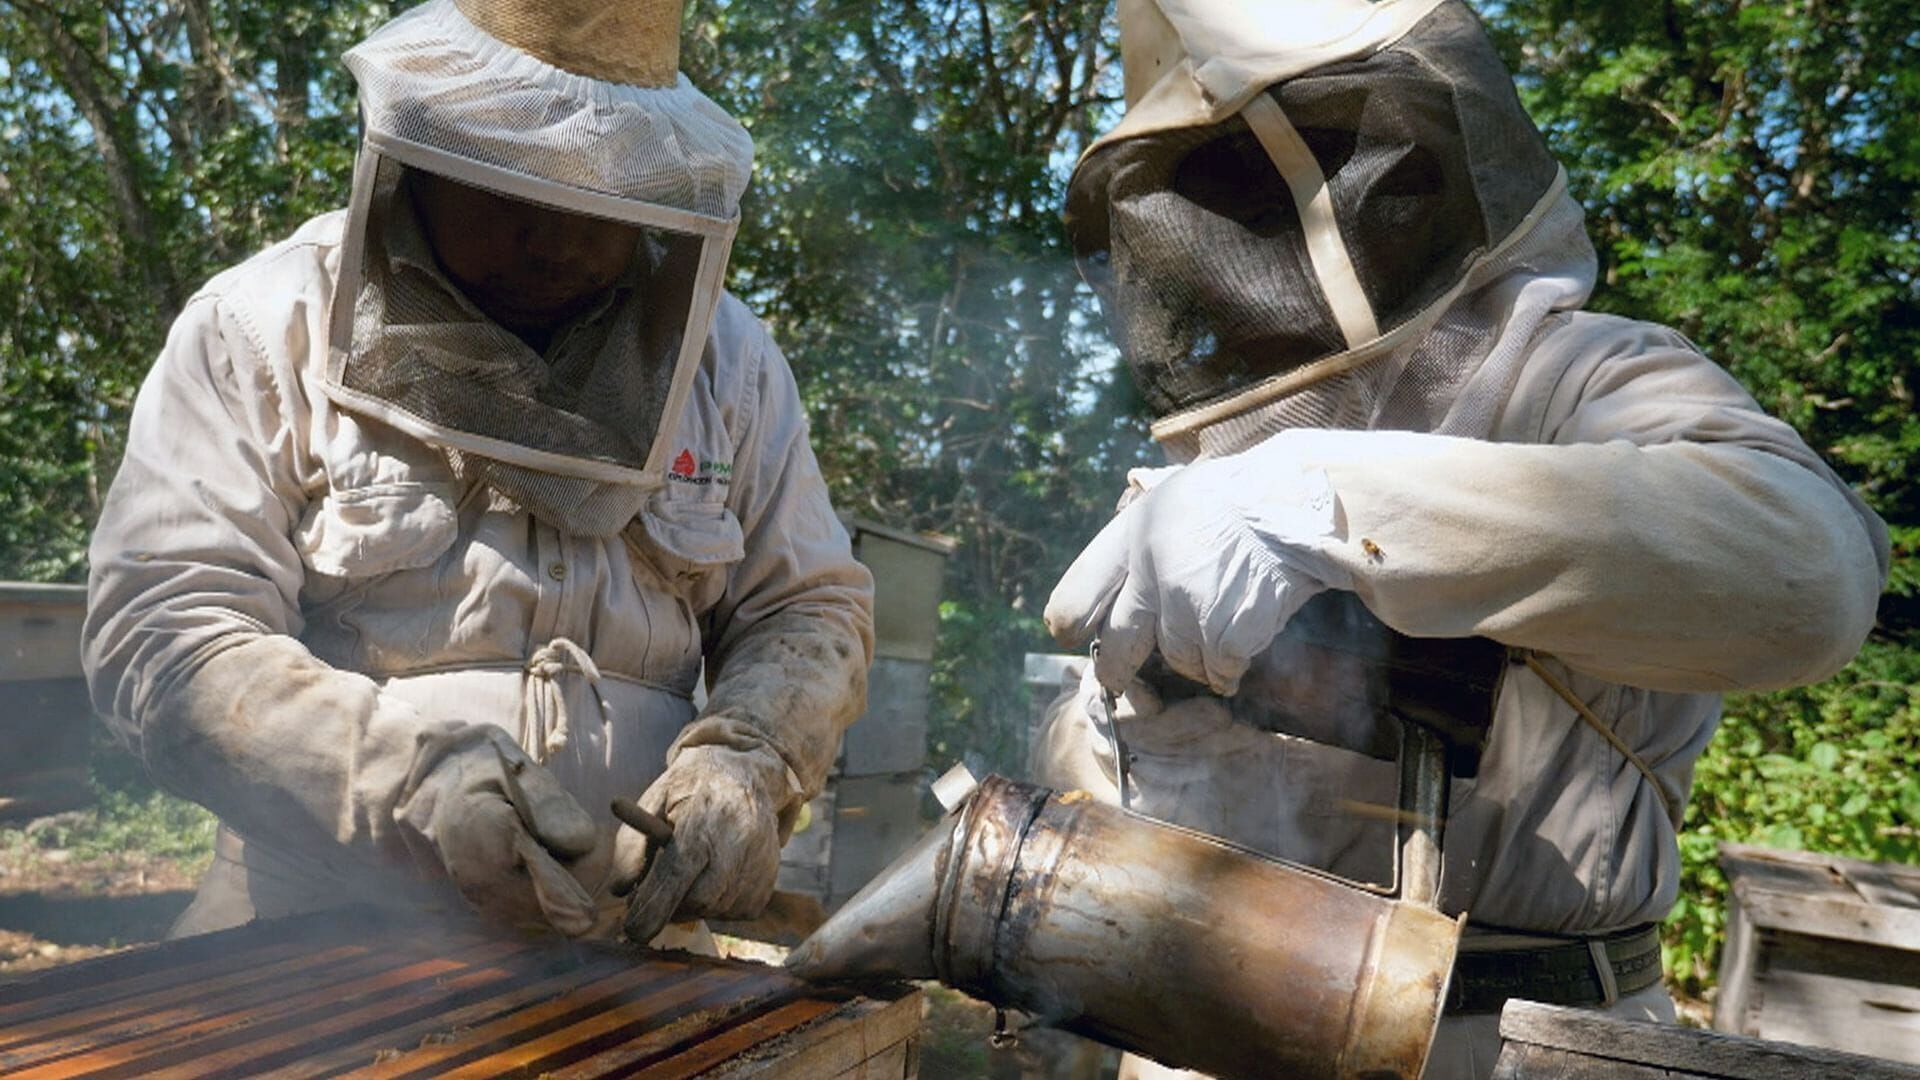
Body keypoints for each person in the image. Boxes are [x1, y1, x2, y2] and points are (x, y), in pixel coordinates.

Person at [1036, 0, 1889, 1076]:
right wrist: (1129, 718)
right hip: (1208, 1027)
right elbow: (1095, 783)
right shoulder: (1219, 468)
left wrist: (1326, 504)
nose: (1277, 218)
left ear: (1417, 148)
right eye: (1222, 194)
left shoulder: (1580, 378)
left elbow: (1811, 578)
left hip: (1515, 1041)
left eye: (1330, 147)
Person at [81, 0, 873, 948]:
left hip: (633, 949)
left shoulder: (727, 361)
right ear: (423, 156)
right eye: (519, 189)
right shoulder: (262, 325)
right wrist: (407, 784)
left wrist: (752, 756)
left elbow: (807, 606)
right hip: (314, 937)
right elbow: (165, 632)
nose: (560, 242)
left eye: (603, 193)